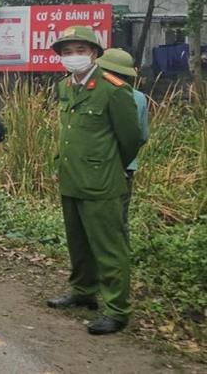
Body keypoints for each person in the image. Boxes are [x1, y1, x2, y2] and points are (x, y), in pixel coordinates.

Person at [45, 26, 142, 336]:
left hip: (101, 182)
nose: (73, 57)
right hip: (71, 179)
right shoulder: (65, 87)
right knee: (78, 242)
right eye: (67, 52)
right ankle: (83, 291)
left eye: (80, 50)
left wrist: (110, 166)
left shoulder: (113, 90)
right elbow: (69, 132)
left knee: (109, 247)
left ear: (95, 53)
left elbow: (131, 139)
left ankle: (117, 310)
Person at [96, 48, 149, 238]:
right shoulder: (139, 98)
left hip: (97, 165)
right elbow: (141, 136)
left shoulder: (95, 94)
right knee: (120, 217)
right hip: (126, 167)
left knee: (95, 215)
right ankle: (120, 257)